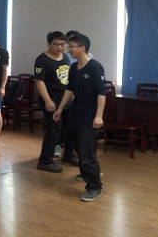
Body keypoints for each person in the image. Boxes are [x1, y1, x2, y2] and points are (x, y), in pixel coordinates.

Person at [53, 33, 106, 202]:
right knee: (80, 148)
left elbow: (101, 93)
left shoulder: (95, 67)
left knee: (86, 151)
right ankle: (88, 173)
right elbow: (69, 89)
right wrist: (60, 108)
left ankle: (94, 187)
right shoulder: (74, 67)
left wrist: (99, 116)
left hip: (90, 117)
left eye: (71, 47)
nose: (68, 50)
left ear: (82, 48)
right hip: (76, 114)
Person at [35, 31, 71, 173]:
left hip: (66, 100)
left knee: (69, 128)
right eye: (56, 44)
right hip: (52, 101)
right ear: (49, 44)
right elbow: (40, 82)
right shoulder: (42, 59)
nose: (59, 47)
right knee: (54, 132)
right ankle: (45, 161)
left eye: (62, 44)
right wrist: (48, 101)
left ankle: (68, 155)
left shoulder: (65, 57)